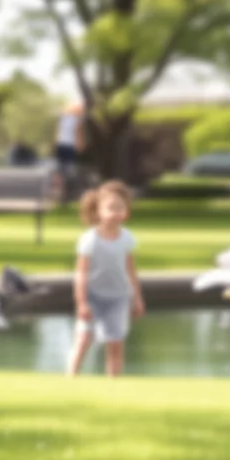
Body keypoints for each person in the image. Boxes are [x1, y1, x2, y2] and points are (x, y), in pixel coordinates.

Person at [66, 179, 143, 378]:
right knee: (83, 339)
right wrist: (82, 302)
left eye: (120, 207)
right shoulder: (90, 239)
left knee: (115, 344)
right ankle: (71, 378)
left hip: (118, 297)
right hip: (92, 296)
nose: (116, 212)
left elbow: (131, 270)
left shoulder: (127, 238)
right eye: (111, 208)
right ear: (98, 210)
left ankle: (113, 383)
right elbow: (81, 273)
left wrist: (137, 298)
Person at [51, 98, 85, 203]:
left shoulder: (63, 118)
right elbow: (78, 134)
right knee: (69, 169)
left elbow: (58, 133)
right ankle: (65, 192)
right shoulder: (77, 120)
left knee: (60, 170)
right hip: (69, 146)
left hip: (61, 145)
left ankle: (59, 190)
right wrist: (80, 145)